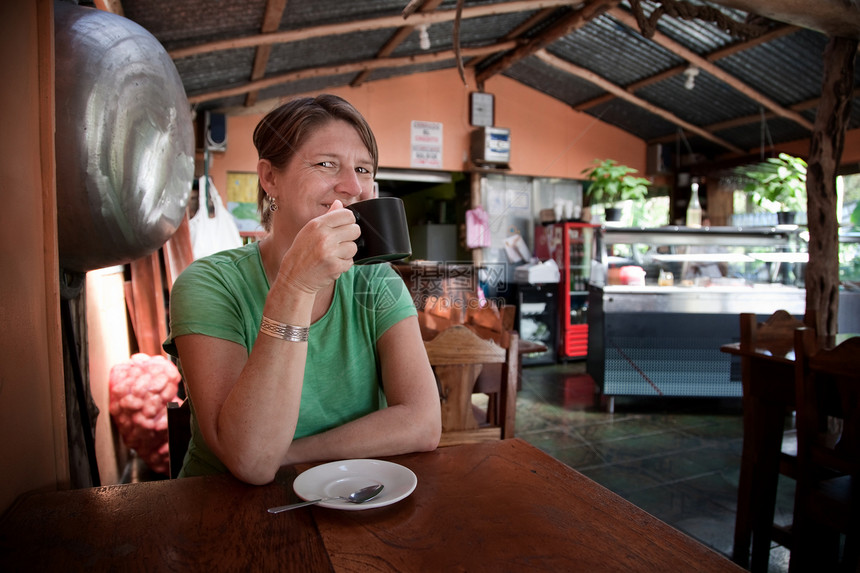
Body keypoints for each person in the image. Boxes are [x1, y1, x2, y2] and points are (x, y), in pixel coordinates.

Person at [164, 94, 441, 485]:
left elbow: (423, 423)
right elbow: (251, 460)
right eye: (327, 164)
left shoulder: (375, 280)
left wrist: (291, 455)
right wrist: (296, 285)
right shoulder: (209, 285)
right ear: (270, 178)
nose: (354, 186)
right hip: (224, 507)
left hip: (349, 492)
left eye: (363, 169)